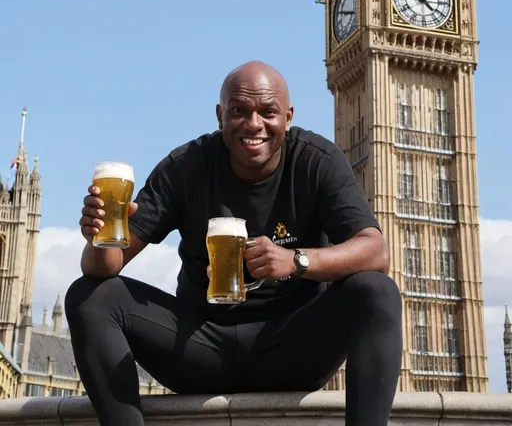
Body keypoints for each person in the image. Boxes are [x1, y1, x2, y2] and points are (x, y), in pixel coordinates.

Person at [65, 61, 403, 426]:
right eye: (239, 111)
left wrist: (296, 261)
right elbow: (105, 268)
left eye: (268, 112)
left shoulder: (316, 161)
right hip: (199, 348)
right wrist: (98, 236)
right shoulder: (186, 166)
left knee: (377, 290)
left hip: (292, 348)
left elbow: (376, 251)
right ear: (220, 115)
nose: (254, 124)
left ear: (287, 117)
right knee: (88, 294)